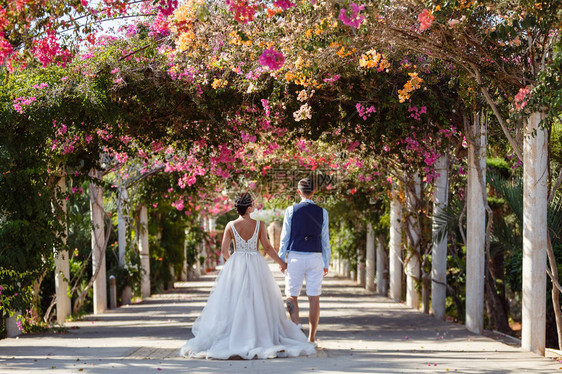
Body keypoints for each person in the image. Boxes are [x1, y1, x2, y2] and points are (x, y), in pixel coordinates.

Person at [180, 192, 316, 360]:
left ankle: (236, 335)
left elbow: (223, 251)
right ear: (249, 207)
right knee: (258, 299)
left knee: (235, 300)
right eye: (253, 203)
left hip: (237, 263)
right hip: (256, 263)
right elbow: (267, 248)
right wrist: (282, 263)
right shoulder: (259, 225)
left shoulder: (230, 225)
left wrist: (233, 264)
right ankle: (258, 335)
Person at [278, 178, 331, 344]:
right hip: (315, 256)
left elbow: (285, 237)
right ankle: (312, 338)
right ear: (314, 191)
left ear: (298, 192)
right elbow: (325, 239)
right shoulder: (322, 212)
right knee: (314, 297)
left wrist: (281, 259)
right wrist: (326, 262)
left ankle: (297, 327)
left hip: (295, 256)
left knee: (291, 295)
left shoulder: (291, 210)